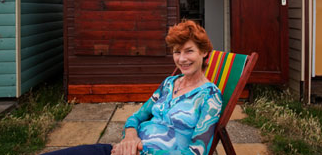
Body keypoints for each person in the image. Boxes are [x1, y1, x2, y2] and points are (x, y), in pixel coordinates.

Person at [43, 20, 222, 155]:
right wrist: (130, 138)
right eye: (177, 52)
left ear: (204, 52)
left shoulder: (210, 96)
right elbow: (136, 117)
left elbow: (197, 151)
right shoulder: (169, 84)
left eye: (189, 51)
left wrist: (141, 151)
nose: (182, 59)